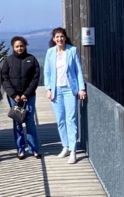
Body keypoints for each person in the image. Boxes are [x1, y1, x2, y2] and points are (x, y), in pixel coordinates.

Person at [44, 27, 86, 164]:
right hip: (56, 90)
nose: (59, 39)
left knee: (71, 119)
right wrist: (48, 89)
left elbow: (78, 70)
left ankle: (73, 150)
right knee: (60, 120)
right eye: (57, 37)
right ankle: (65, 146)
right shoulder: (50, 52)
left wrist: (81, 88)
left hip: (69, 89)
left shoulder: (72, 50)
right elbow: (47, 72)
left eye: (61, 36)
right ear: (53, 39)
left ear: (65, 37)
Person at [0, 36, 41, 159]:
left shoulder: (32, 59)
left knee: (30, 122)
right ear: (13, 47)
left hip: (29, 96)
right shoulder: (8, 60)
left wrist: (26, 94)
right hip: (14, 97)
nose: (19, 48)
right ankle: (20, 149)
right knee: (17, 122)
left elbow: (35, 78)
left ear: (25, 46)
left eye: (21, 46)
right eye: (17, 46)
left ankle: (34, 149)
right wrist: (13, 94)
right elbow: (4, 78)